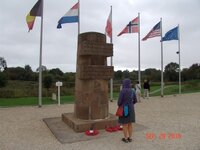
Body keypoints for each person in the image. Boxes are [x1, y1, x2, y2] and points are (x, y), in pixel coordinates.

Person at [117, 79, 137, 143]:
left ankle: (125, 138)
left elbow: (119, 102)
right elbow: (135, 100)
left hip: (125, 108)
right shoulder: (132, 91)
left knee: (125, 124)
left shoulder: (122, 91)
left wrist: (122, 105)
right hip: (131, 108)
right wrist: (131, 104)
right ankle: (130, 138)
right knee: (130, 123)